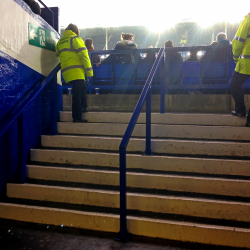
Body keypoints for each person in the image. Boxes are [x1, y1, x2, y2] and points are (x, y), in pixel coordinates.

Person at [56, 23, 93, 123]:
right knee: (76, 94)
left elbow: (57, 53)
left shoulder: (60, 42)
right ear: (76, 31)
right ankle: (77, 117)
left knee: (83, 86)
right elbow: (84, 55)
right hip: (76, 71)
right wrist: (89, 72)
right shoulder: (75, 39)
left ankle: (83, 107)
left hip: (67, 72)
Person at [230, 13, 250, 126]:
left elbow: (238, 41)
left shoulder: (248, 20)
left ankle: (240, 110)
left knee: (234, 84)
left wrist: (236, 57)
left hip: (246, 63)